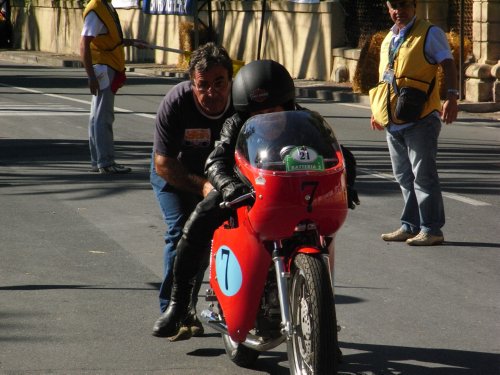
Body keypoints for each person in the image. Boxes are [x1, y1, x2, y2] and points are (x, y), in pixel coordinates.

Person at [152, 59, 359, 338]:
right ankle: (178, 306)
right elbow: (216, 162)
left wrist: (348, 187)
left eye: (272, 110)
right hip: (246, 190)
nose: (266, 117)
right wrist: (228, 187)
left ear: (286, 104)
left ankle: (324, 329)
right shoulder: (236, 124)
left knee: (325, 241)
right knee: (195, 223)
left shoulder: (306, 122)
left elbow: (340, 154)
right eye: (258, 111)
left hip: (294, 193)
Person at [151, 43, 234, 339]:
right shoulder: (176, 103)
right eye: (203, 85)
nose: (211, 92)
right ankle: (174, 310)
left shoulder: (243, 101)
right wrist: (201, 186)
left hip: (222, 176)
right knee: (182, 230)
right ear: (192, 83)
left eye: (219, 83)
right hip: (177, 172)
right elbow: (163, 163)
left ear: (231, 80)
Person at [369, 0, 458, 246]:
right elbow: (384, 79)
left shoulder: (429, 33)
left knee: (423, 176)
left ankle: (432, 229)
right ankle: (411, 225)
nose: (399, 10)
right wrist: (377, 110)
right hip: (393, 119)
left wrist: (452, 97)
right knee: (404, 177)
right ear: (388, 8)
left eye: (404, 4)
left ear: (415, 6)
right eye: (394, 5)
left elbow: (448, 64)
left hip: (421, 118)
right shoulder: (388, 38)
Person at [80, 0, 148, 174]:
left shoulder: (105, 7)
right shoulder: (96, 9)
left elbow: (109, 39)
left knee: (98, 115)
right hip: (104, 66)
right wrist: (90, 76)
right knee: (103, 116)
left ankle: (98, 161)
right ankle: (105, 162)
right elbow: (84, 43)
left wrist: (131, 42)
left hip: (107, 65)